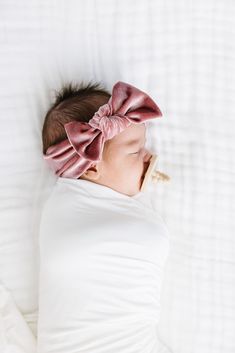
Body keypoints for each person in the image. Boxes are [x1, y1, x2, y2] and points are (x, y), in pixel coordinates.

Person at [37, 81, 173, 353]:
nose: (148, 156)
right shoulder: (65, 210)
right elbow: (146, 239)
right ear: (90, 169)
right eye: (135, 151)